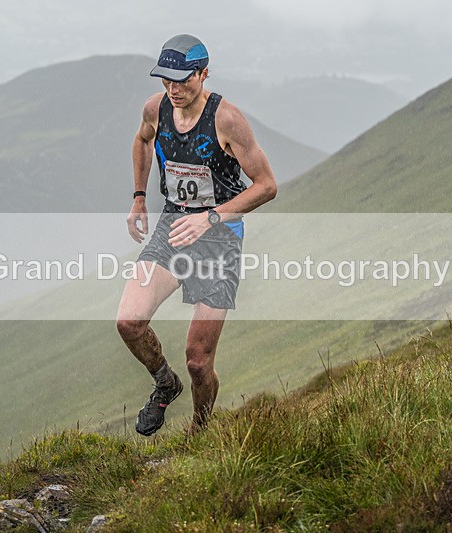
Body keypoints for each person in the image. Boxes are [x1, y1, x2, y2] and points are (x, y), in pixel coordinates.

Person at [116, 34, 277, 436]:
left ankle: (199, 431)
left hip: (219, 239)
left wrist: (212, 218)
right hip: (173, 226)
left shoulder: (227, 119)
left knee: (198, 361)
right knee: (129, 322)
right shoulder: (155, 109)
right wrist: (139, 198)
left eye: (183, 79)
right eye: (166, 79)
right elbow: (142, 139)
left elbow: (266, 185)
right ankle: (165, 383)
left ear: (204, 74)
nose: (174, 89)